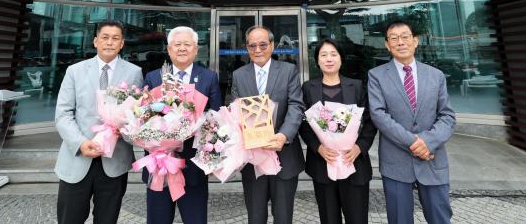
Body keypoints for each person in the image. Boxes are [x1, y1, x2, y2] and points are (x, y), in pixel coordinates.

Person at [54, 20, 143, 224]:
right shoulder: (75, 71)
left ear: (122, 43)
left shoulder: (134, 72)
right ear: (95, 41)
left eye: (115, 38)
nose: (110, 42)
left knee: (107, 219)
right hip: (78, 158)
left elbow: (137, 115)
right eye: (105, 37)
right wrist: (80, 143)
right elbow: (63, 113)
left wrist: (125, 130)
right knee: (69, 219)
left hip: (114, 160)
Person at [368, 21, 456, 224]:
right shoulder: (376, 76)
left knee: (440, 218)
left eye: (405, 37)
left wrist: (427, 142)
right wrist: (415, 143)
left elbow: (447, 116)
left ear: (415, 41)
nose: (400, 42)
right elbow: (379, 115)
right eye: (394, 38)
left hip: (432, 159)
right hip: (396, 162)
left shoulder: (436, 75)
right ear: (387, 45)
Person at [143, 26, 222, 224]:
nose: (182, 48)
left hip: (193, 167)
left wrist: (212, 160)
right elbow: (142, 118)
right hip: (159, 165)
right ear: (169, 49)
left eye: (187, 44)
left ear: (196, 49)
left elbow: (216, 120)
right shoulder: (153, 77)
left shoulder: (209, 77)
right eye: (177, 44)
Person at [228, 25, 305, 224]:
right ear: (247, 48)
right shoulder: (238, 75)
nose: (257, 50)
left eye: (263, 44)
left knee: (283, 217)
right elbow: (235, 111)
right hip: (252, 159)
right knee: (255, 217)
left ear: (272, 45)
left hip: (284, 155)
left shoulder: (288, 70)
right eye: (252, 45)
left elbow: (296, 106)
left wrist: (284, 135)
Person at [300, 38, 377, 224]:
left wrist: (360, 147)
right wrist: (318, 147)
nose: (329, 59)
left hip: (354, 162)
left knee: (357, 218)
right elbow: (303, 123)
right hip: (323, 163)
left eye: (333, 54)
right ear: (317, 61)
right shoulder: (308, 88)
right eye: (323, 55)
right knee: (329, 218)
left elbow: (369, 121)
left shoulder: (356, 86)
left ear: (341, 59)